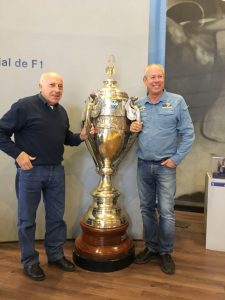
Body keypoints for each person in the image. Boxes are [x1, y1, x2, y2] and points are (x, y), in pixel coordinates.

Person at [0, 72, 93, 281]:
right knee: (27, 221)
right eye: (52, 85)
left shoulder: (61, 112)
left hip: (56, 172)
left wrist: (82, 137)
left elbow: (66, 138)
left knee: (56, 219)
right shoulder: (23, 106)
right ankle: (30, 262)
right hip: (30, 172)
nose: (57, 90)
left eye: (60, 86)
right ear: (40, 86)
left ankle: (56, 255)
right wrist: (18, 154)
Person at [130, 64, 195, 275]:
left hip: (166, 167)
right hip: (143, 165)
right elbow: (129, 136)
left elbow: (188, 134)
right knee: (146, 209)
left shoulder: (177, 101)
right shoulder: (138, 105)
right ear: (145, 81)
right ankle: (151, 247)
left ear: (164, 79)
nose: (156, 80)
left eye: (160, 77)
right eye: (152, 77)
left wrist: (176, 159)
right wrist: (132, 129)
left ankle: (166, 252)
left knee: (166, 212)